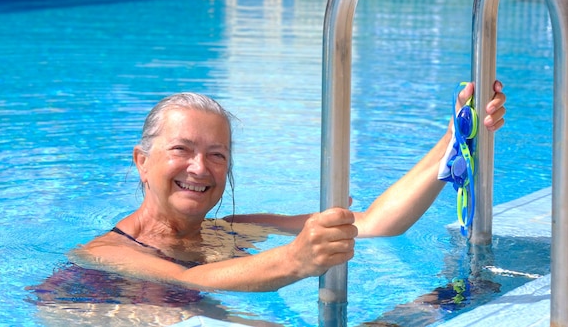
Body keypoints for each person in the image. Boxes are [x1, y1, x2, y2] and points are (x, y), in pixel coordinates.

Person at [68, 81, 506, 293]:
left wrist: (455, 137)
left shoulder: (232, 229)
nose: (199, 169)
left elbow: (375, 224)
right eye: (182, 149)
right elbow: (194, 281)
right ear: (142, 162)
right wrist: (297, 259)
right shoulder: (106, 253)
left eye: (217, 155)